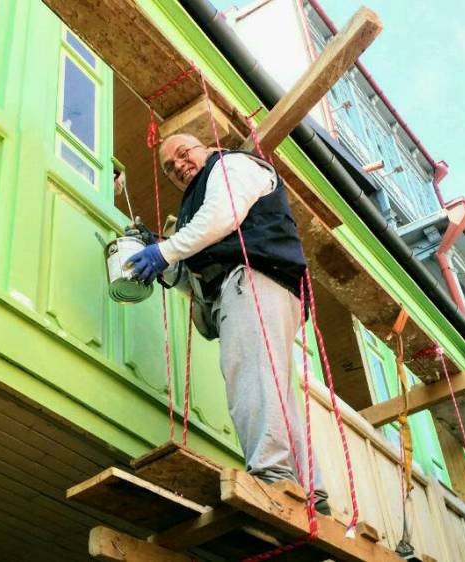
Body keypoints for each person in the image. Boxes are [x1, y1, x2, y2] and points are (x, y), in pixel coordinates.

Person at [125, 133, 329, 514]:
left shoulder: (231, 165)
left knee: (252, 376)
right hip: (260, 285)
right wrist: (162, 255)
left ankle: (273, 477)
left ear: (204, 147)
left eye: (183, 154)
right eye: (170, 167)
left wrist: (164, 250)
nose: (178, 166)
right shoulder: (201, 199)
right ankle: (311, 493)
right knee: (274, 388)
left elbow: (223, 216)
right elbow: (196, 269)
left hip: (254, 278)